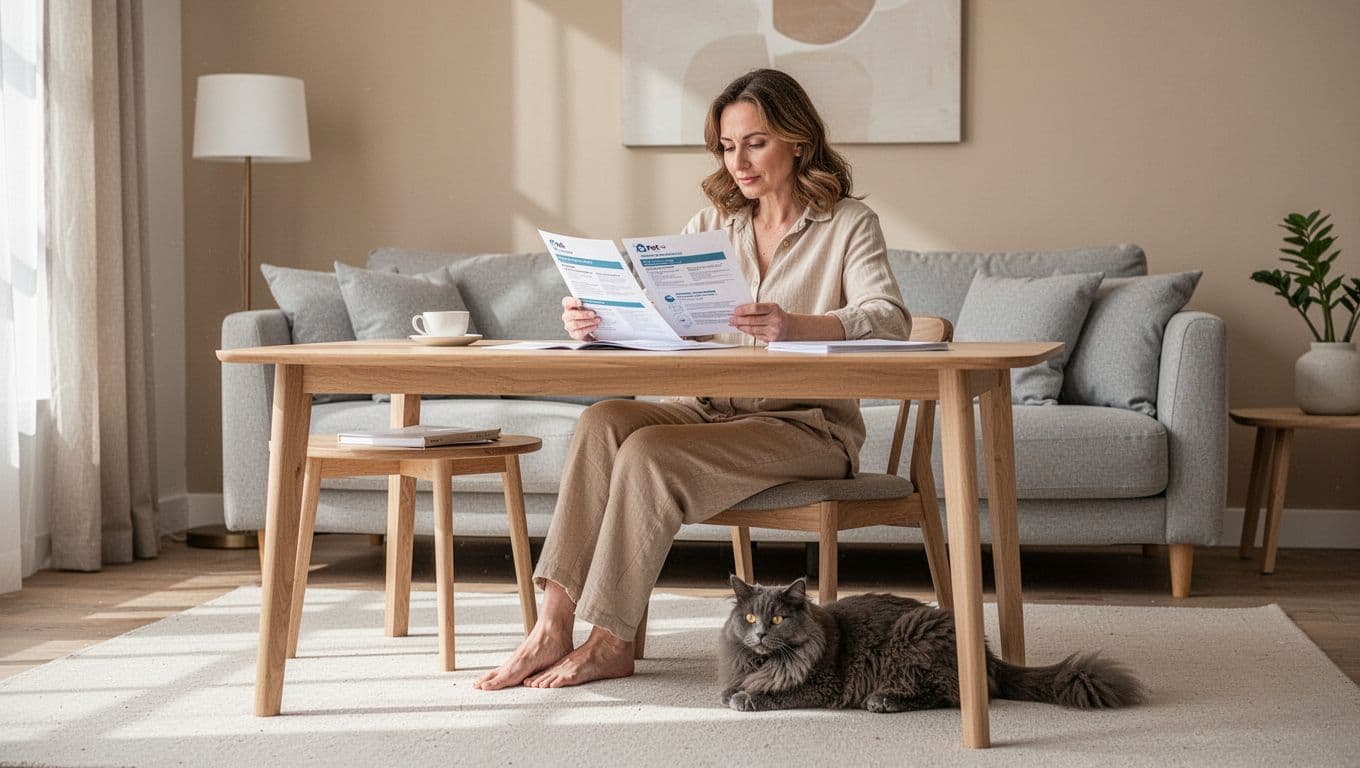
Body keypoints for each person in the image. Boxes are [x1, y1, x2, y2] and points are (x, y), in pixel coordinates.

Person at [473, 68, 911, 690]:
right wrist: (600, 322)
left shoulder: (847, 224)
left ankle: (611, 640)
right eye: (728, 147)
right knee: (602, 421)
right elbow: (665, 325)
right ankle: (551, 625)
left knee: (650, 451)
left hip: (804, 427)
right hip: (707, 411)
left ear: (798, 141)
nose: (739, 161)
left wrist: (798, 325)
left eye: (755, 142)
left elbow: (890, 320)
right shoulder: (710, 227)